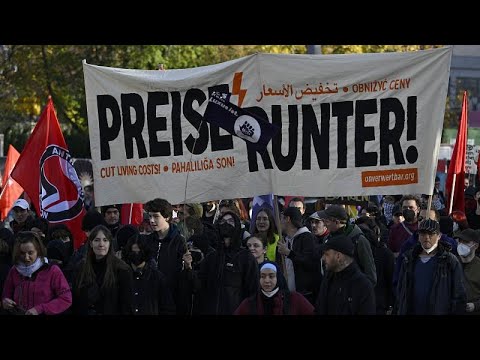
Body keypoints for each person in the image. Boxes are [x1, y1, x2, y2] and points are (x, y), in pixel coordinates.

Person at [394, 219, 466, 315]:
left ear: (439, 236)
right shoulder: (409, 259)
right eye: (423, 234)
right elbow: (401, 291)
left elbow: (459, 295)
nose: (426, 237)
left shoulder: (449, 261)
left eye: (431, 234)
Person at [194, 211, 258, 315]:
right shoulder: (211, 257)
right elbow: (200, 287)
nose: (226, 224)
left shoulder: (246, 258)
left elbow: (253, 293)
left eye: (230, 221)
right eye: (223, 221)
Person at [2, 231, 72, 315]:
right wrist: (5, 301)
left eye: (30, 253)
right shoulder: (14, 270)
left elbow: (65, 299)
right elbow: (6, 294)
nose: (26, 258)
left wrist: (40, 309)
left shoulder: (52, 270)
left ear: (38, 251)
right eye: (22, 253)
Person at [72, 225, 133, 315]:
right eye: (97, 240)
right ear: (91, 243)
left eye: (105, 240)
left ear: (110, 243)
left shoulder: (122, 269)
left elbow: (126, 306)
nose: (101, 244)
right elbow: (75, 301)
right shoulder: (80, 268)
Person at [315, 234, 375, 315]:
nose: (323, 258)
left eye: (327, 254)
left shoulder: (362, 285)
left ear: (338, 256)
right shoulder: (328, 278)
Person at [317, 205, 377, 286]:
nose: (324, 224)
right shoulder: (327, 239)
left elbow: (371, 275)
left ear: (336, 222)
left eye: (326, 221)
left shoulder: (359, 240)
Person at [144, 198, 186, 308]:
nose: (152, 220)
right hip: (149, 299)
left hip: (171, 299)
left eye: (156, 216)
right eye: (150, 216)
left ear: (167, 217)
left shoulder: (179, 242)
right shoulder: (147, 241)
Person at [234, 262, 314, 315]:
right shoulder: (249, 303)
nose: (267, 280)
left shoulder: (294, 298)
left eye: (271, 276)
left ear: (278, 278)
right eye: (263, 276)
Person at [122, 234, 175, 315]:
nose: (137, 254)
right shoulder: (121, 276)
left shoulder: (158, 278)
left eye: (139, 252)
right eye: (133, 252)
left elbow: (167, 308)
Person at [278, 207, 317, 304]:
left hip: (305, 294)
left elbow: (309, 262)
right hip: (289, 293)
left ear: (288, 219)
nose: (279, 222)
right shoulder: (286, 240)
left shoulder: (307, 237)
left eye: (281, 218)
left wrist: (289, 253)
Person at [454, 229, 480, 314]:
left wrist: (475, 305)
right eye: (460, 241)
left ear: (475, 246)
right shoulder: (451, 263)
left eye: (466, 242)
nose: (461, 245)